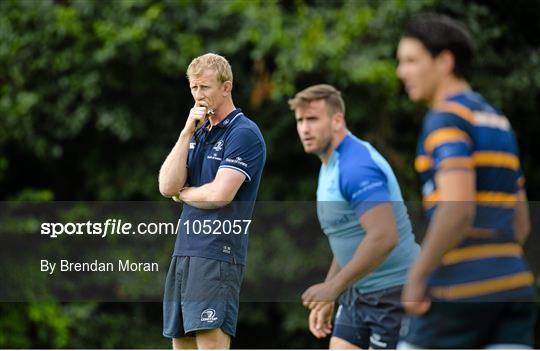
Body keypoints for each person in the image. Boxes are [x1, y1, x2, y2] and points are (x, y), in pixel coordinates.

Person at [396, 14, 535, 348]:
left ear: (445, 61)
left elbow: (457, 210)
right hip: (513, 289)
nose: (401, 72)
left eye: (411, 61)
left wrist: (416, 280)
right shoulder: (497, 120)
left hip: (457, 293)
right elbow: (521, 224)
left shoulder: (445, 119)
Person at [289, 84, 420, 349]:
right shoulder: (330, 164)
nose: (304, 128)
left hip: (396, 294)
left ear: (337, 120)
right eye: (300, 120)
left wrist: (334, 287)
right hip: (359, 292)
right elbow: (349, 235)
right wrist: (330, 292)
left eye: (313, 119)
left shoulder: (356, 167)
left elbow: (384, 237)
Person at [158, 53, 266, 349]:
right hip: (184, 252)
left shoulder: (244, 133)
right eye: (193, 88)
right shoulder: (197, 131)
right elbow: (167, 185)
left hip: (217, 253)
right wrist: (185, 133)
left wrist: (187, 193)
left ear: (226, 87)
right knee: (181, 345)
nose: (198, 95)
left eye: (205, 87)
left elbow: (220, 195)